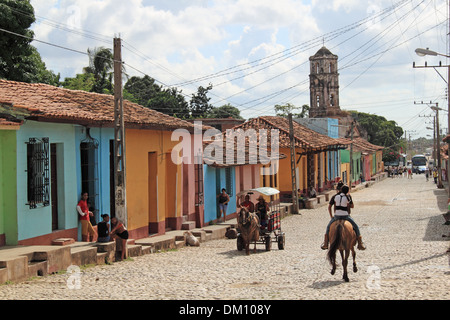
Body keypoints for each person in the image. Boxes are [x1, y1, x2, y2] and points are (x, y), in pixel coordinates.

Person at [321, 185, 366, 251]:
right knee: (356, 227)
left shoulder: (335, 196)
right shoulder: (348, 197)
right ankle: (360, 242)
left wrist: (331, 216)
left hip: (336, 216)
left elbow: (331, 206)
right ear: (347, 191)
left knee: (328, 227)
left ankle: (326, 242)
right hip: (345, 216)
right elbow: (351, 206)